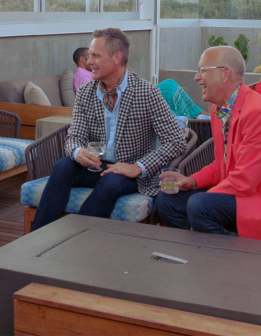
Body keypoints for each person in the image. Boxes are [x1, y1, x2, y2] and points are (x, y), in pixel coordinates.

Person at [156, 46, 261, 240]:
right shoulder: (218, 110)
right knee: (167, 201)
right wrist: (192, 181)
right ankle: (201, 253)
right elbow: (222, 165)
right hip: (244, 193)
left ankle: (228, 262)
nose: (196, 77)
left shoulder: (256, 112)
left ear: (224, 74)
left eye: (202, 70)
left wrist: (205, 196)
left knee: (199, 205)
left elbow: (245, 180)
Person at [32, 28, 188, 231]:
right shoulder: (86, 92)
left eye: (96, 55)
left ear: (116, 57)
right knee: (62, 167)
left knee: (111, 184)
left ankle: (78, 241)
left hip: (130, 172)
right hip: (96, 165)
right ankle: (36, 239)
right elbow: (74, 136)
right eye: (89, 55)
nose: (89, 62)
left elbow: (176, 141)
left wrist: (138, 167)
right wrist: (79, 152)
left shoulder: (147, 92)